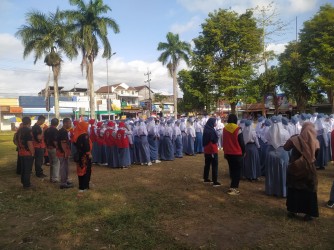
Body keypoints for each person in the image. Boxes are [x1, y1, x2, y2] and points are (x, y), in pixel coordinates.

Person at [284, 122, 320, 221]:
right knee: (309, 191)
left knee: (294, 189)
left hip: (295, 169)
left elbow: (286, 147)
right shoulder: (316, 142)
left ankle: (292, 210)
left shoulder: (295, 139)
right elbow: (316, 157)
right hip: (309, 170)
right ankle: (309, 213)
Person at [264, 116, 290, 198]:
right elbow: (288, 142)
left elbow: (267, 140)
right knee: (282, 172)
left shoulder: (268, 131)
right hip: (283, 153)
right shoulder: (285, 132)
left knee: (271, 172)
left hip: (271, 153)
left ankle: (271, 190)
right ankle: (283, 191)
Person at [222, 114, 245, 195]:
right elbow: (241, 142)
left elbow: (223, 141)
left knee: (232, 170)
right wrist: (244, 151)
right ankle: (233, 188)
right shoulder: (238, 129)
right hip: (237, 153)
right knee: (237, 171)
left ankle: (232, 185)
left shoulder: (225, 129)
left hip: (228, 153)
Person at [73, 120, 92, 193]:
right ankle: (85, 187)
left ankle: (81, 187)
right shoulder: (85, 135)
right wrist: (89, 153)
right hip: (85, 156)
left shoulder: (77, 134)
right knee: (86, 170)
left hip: (79, 155)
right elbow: (86, 147)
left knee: (80, 170)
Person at [17, 117, 35, 188]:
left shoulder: (19, 130)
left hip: (21, 151)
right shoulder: (28, 131)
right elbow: (29, 143)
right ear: (29, 122)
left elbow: (16, 141)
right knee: (27, 169)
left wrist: (19, 148)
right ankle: (27, 184)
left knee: (23, 168)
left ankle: (23, 181)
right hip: (27, 152)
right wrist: (33, 152)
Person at [57, 117, 74, 189]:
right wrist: (65, 152)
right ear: (65, 123)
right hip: (62, 152)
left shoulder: (63, 131)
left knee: (66, 166)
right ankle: (63, 183)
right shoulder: (63, 131)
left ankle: (66, 180)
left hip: (63, 151)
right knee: (63, 167)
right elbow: (63, 143)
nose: (70, 124)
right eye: (69, 123)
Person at [203, 117, 220, 186]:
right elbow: (214, 140)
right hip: (212, 149)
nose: (215, 123)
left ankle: (206, 178)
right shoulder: (211, 130)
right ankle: (215, 181)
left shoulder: (206, 129)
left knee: (207, 164)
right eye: (215, 122)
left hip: (207, 149)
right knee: (214, 165)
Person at [44, 118, 60, 183]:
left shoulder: (47, 129)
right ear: (57, 123)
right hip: (54, 148)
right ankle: (55, 178)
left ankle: (51, 177)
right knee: (56, 163)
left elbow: (44, 139)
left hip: (48, 147)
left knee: (52, 163)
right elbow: (55, 140)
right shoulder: (55, 130)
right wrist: (58, 147)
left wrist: (47, 146)